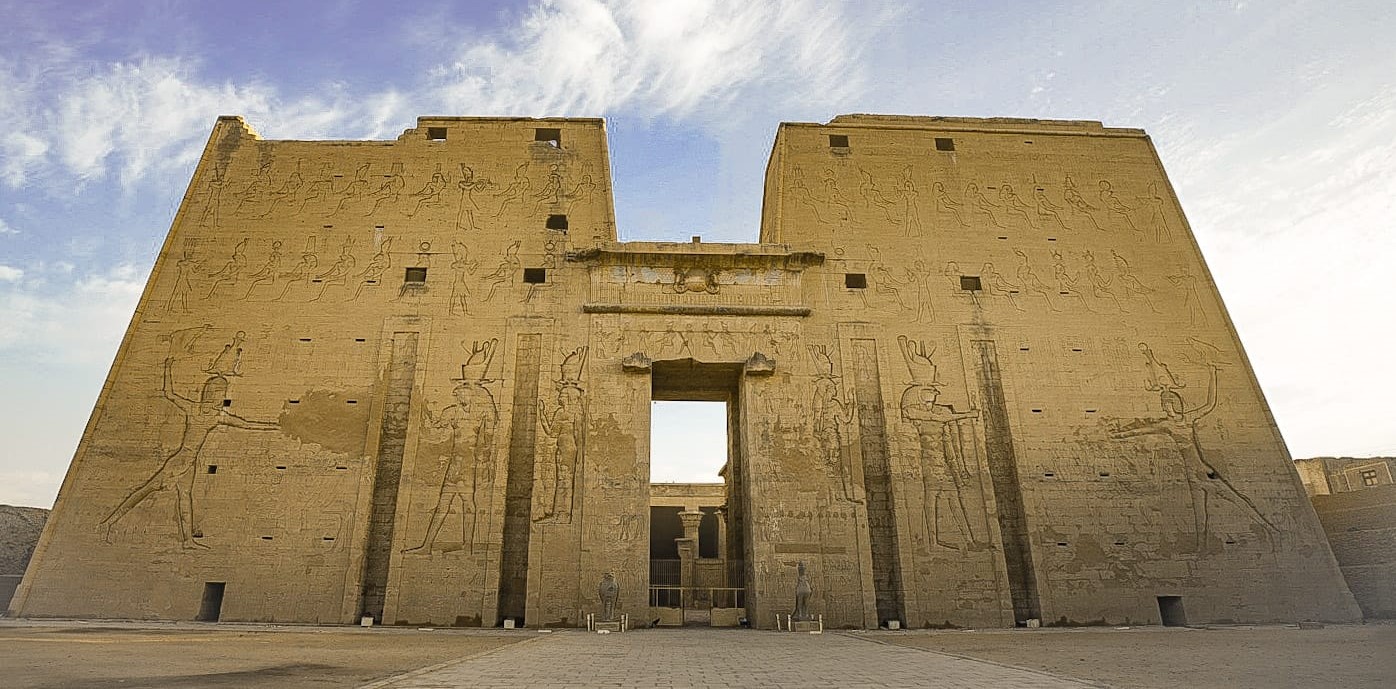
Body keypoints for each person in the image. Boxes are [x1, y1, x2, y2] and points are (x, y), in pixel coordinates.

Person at [101, 358, 278, 548]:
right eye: (220, 392)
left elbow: (246, 424)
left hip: (189, 463)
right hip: (179, 461)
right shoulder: (196, 410)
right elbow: (169, 393)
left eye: (223, 393)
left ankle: (187, 541)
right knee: (146, 491)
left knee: (184, 498)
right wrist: (167, 367)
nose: (221, 397)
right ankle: (108, 523)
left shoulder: (216, 416)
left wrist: (274, 426)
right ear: (211, 393)